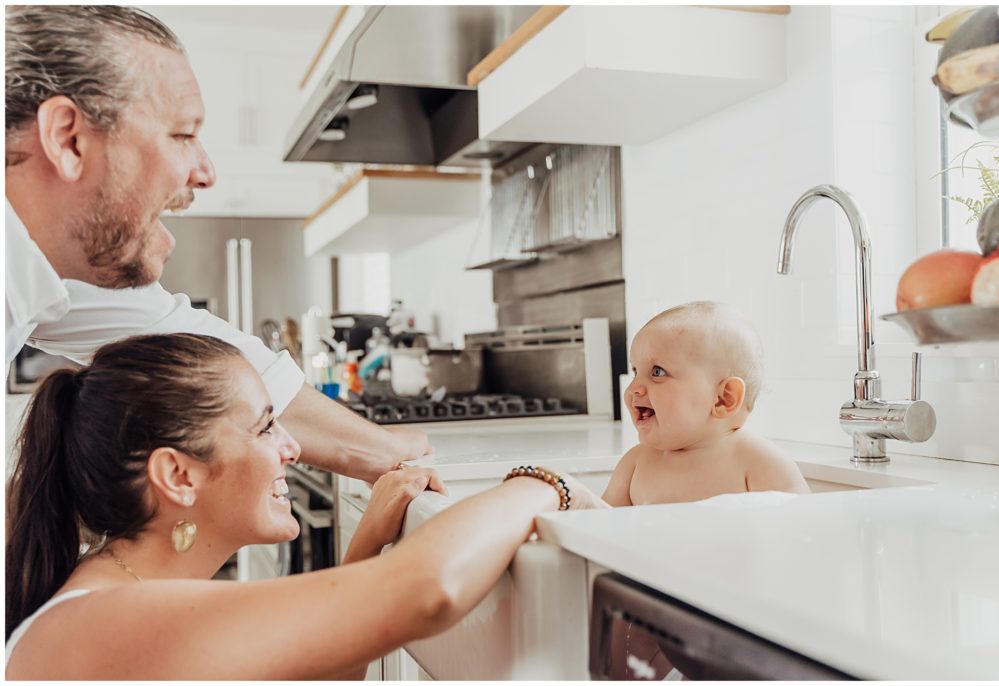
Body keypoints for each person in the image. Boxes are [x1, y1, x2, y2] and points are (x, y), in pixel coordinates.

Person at [4, 333, 605, 679]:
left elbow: (324, 675)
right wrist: (542, 484)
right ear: (178, 475)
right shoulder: (110, 620)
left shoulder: (116, 598)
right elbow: (429, 589)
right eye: (266, 427)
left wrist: (367, 544)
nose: (292, 449)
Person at [4, 5, 427, 483]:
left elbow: (192, 347)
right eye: (183, 135)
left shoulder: (50, 268)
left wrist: (377, 449)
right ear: (69, 139)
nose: (205, 174)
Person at [603, 301, 808, 506]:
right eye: (635, 372)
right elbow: (599, 527)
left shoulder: (759, 463)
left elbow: (803, 526)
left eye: (657, 372)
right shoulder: (635, 465)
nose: (634, 389)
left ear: (723, 398)